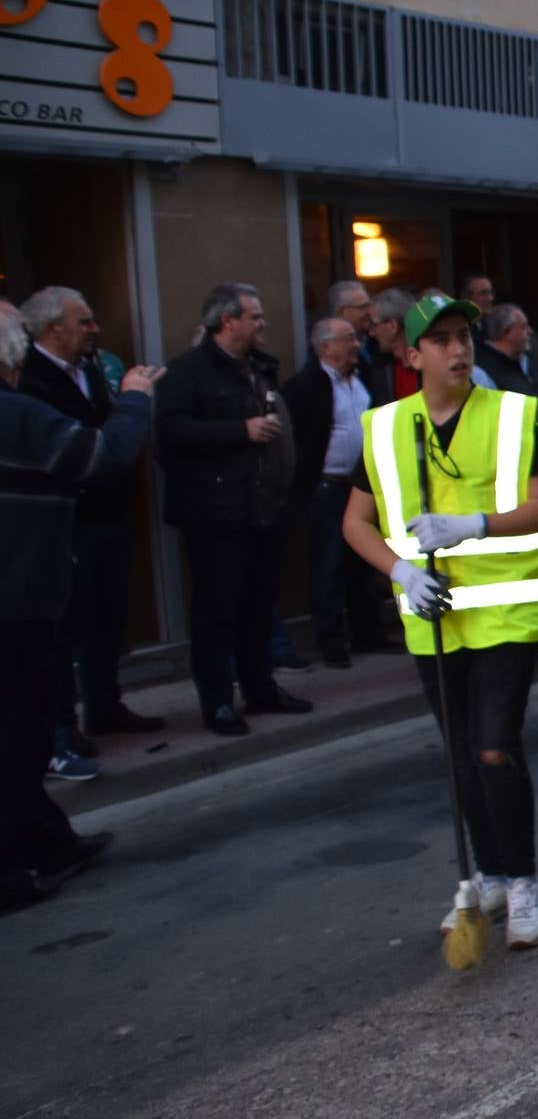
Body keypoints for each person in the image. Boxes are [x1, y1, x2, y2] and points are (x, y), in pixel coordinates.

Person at [342, 292, 538, 949]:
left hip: (507, 609)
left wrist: (474, 524)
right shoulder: (384, 428)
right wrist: (400, 572)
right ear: (412, 356)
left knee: (495, 748)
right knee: (462, 758)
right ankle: (490, 874)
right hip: (432, 614)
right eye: (439, 340)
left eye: (463, 337)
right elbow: (355, 522)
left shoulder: (510, 418)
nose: (458, 348)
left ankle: (523, 878)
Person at [1, 302, 161, 908]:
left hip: (24, 595)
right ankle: (13, 869)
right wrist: (135, 397)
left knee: (25, 728)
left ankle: (47, 840)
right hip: (17, 603)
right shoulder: (16, 413)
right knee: (20, 732)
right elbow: (99, 456)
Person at [15, 288, 162, 776]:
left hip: (109, 519)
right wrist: (134, 402)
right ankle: (61, 731)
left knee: (107, 618)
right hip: (61, 529)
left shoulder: (93, 369)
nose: (96, 329)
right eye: (86, 320)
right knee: (61, 633)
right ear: (53, 328)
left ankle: (104, 705)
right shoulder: (26, 384)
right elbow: (95, 450)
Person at [155, 284, 313, 736]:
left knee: (258, 605)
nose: (263, 324)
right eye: (255, 316)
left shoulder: (258, 369)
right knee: (216, 612)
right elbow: (170, 433)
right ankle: (218, 702)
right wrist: (238, 430)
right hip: (212, 515)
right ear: (228, 321)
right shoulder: (187, 371)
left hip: (260, 507)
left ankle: (261, 688)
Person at [283, 318, 393, 668]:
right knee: (328, 564)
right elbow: (296, 441)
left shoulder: (362, 380)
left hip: (362, 486)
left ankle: (368, 632)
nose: (355, 345)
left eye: (355, 338)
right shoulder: (304, 386)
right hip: (326, 488)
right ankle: (330, 638)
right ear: (324, 347)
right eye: (347, 339)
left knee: (364, 561)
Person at [471, 303, 538, 444]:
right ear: (506, 332)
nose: (530, 331)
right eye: (523, 326)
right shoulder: (482, 371)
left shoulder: (527, 361)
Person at [365, 286, 416, 406]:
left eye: (373, 325)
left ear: (393, 326)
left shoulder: (430, 363)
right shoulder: (382, 369)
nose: (371, 332)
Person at [328, 280, 375, 380]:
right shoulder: (326, 350)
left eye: (369, 306)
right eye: (363, 307)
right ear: (342, 312)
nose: (369, 312)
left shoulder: (376, 341)